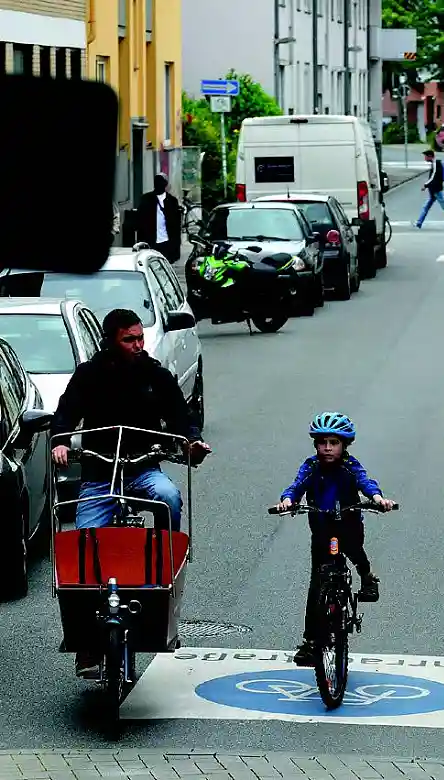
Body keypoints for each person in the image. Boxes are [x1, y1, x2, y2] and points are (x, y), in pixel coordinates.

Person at [50, 308, 211, 677]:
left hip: (142, 470)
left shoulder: (156, 375)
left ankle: (166, 570)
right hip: (99, 476)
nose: (138, 345)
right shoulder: (89, 375)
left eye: (140, 338)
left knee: (168, 497)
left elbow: (182, 418)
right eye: (129, 339)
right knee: (84, 545)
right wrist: (60, 442)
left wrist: (193, 443)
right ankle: (87, 648)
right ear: (111, 341)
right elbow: (65, 415)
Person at [275, 412, 396, 666]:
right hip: (321, 531)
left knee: (355, 551)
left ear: (345, 445)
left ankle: (367, 576)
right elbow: (296, 486)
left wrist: (378, 499)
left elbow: (366, 483)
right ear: (315, 444)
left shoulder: (350, 466)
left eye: (334, 443)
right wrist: (288, 500)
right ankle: (310, 642)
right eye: (322, 442)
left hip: (348, 526)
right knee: (316, 584)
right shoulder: (311, 467)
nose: (327, 448)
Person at [136, 172, 182, 263]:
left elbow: (177, 224)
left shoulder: (172, 201)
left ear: (165, 184)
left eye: (161, 181)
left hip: (166, 241)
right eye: (157, 181)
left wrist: (176, 244)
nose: (159, 184)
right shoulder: (146, 199)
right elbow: (140, 221)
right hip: (149, 241)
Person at [416, 149, 444, 228]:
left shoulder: (436, 164)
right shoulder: (435, 163)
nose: (424, 158)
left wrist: (425, 185)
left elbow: (433, 177)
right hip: (434, 189)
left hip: (436, 189)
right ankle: (419, 223)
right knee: (427, 207)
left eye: (425, 156)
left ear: (430, 156)